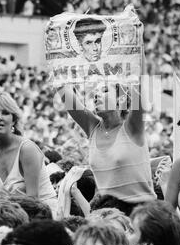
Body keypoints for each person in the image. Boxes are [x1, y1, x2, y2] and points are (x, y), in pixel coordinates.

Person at [57, 71, 157, 210]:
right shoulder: (93, 127)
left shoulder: (133, 126)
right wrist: (57, 66)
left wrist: (134, 59)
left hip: (139, 213)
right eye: (95, 92)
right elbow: (63, 90)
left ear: (120, 99)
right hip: (103, 212)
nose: (96, 95)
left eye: (104, 90)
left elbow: (139, 80)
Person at [0, 92, 57, 215]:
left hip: (44, 216)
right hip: (16, 216)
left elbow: (33, 202)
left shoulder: (27, 149)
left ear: (14, 120)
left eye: (5, 113)